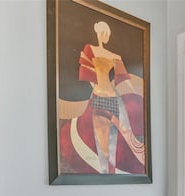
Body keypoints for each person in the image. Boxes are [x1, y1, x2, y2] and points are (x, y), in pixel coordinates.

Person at [59, 21, 145, 175]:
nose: (106, 36)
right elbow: (87, 75)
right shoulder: (90, 49)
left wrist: (138, 91)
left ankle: (110, 171)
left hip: (109, 95)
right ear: (99, 33)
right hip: (101, 95)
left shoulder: (115, 56)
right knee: (103, 138)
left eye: (107, 34)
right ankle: (105, 171)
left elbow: (124, 80)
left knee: (118, 136)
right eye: (104, 33)